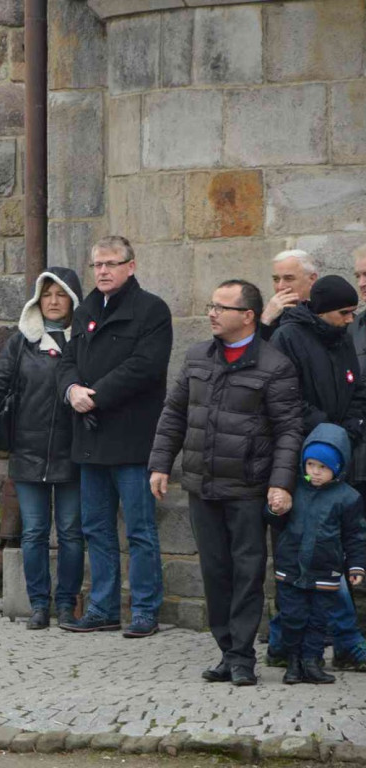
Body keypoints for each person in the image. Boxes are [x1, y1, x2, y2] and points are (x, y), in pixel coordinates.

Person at [148, 280, 302, 686]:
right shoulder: (197, 356)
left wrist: (282, 482)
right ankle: (226, 651)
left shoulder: (275, 365)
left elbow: (289, 430)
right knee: (215, 572)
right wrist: (160, 463)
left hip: (249, 489)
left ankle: (242, 657)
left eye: (221, 307)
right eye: (210, 304)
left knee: (248, 573)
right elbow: (174, 413)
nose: (212, 313)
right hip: (203, 486)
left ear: (247, 316)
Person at [57, 235, 171, 638]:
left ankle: (144, 610)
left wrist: (97, 396)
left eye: (111, 264)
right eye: (97, 265)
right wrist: (71, 390)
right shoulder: (86, 309)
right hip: (90, 437)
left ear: (131, 266)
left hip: (133, 439)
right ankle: (103, 607)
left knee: (140, 529)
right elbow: (67, 360)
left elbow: (146, 366)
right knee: (96, 529)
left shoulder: (151, 310)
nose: (103, 271)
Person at [0, 267, 84, 630]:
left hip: (72, 450)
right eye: (46, 294)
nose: (53, 301)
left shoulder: (82, 340)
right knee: (35, 530)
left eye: (60, 294)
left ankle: (67, 602)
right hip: (28, 448)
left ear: (72, 300)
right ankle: (39, 603)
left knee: (69, 531)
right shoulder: (22, 341)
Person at [267, 274, 366, 670]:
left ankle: (282, 643)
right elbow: (286, 397)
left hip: (337, 455)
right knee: (306, 557)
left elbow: (357, 387)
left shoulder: (339, 336)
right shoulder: (288, 338)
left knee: (321, 553)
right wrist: (328, 430)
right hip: (302, 458)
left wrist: (352, 427)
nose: (350, 320)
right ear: (324, 311)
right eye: (344, 312)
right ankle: (344, 642)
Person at [265, 424, 366, 685]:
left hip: (325, 571)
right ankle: (293, 662)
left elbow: (354, 536)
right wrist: (275, 510)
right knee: (292, 617)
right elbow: (275, 523)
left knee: (318, 621)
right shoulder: (295, 489)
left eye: (322, 467)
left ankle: (312, 660)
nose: (315, 472)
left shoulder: (348, 498)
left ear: (337, 467)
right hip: (291, 569)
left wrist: (356, 567)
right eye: (311, 465)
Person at [260, 249, 318, 340]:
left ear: (311, 279)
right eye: (276, 279)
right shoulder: (268, 316)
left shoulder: (325, 312)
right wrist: (265, 321)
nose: (280, 287)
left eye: (289, 279)